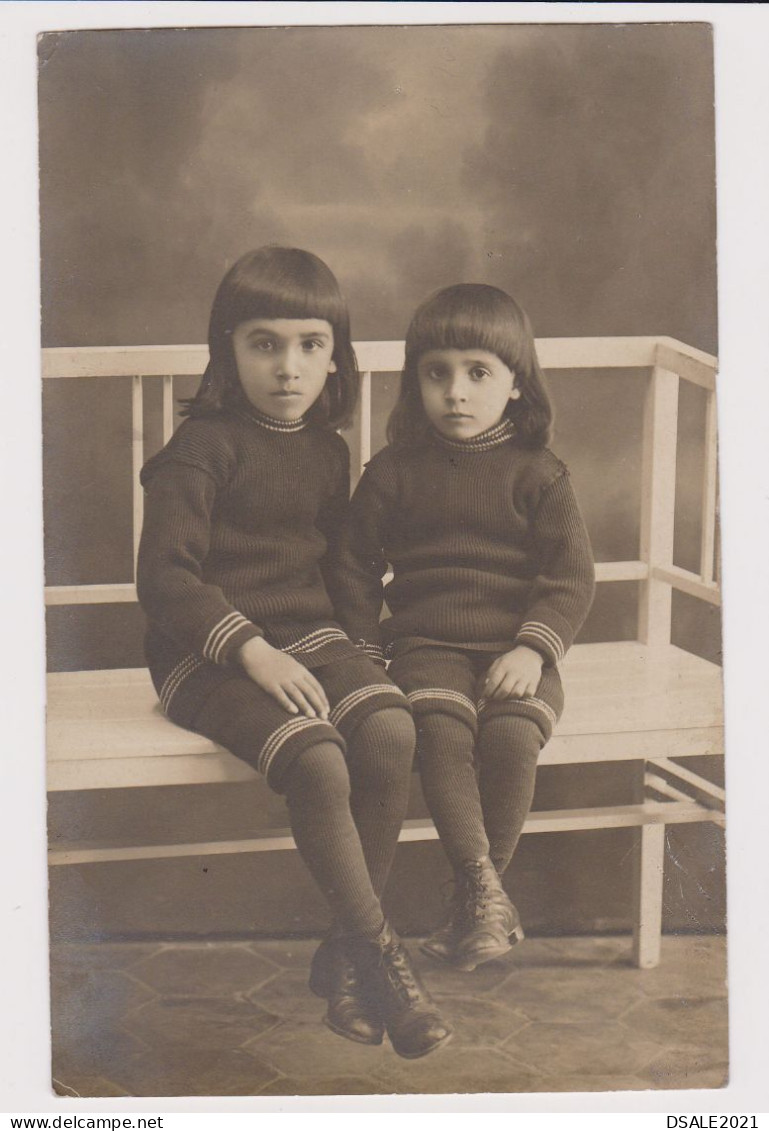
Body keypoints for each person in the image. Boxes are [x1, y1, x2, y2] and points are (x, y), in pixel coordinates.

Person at [136, 246, 452, 1059]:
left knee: (387, 727)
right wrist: (249, 650)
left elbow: (338, 569)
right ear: (226, 348)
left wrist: (365, 654)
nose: (288, 367)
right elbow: (164, 579)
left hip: (307, 635)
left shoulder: (325, 449)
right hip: (203, 651)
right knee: (317, 760)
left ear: (334, 357)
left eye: (310, 345)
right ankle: (381, 957)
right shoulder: (201, 446)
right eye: (263, 343)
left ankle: (345, 958)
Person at [328, 283, 595, 973]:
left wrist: (534, 648)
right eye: (436, 372)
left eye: (478, 372)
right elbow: (352, 566)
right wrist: (363, 649)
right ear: (414, 381)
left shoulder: (539, 474)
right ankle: (482, 895)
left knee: (510, 735)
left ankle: (473, 901)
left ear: (514, 385)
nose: (455, 391)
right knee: (440, 730)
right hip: (427, 646)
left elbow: (569, 576)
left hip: (518, 652)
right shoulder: (392, 472)